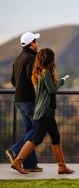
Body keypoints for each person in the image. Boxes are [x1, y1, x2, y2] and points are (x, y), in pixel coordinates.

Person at [11, 48, 74, 175]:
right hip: (46, 111)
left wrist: (54, 81)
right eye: (52, 58)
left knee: (55, 137)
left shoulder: (38, 72)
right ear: (49, 59)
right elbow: (52, 90)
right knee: (37, 138)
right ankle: (18, 161)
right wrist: (61, 82)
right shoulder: (45, 72)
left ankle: (62, 167)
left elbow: (46, 88)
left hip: (45, 109)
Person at [5, 31, 42, 172]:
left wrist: (21, 90)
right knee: (38, 129)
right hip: (29, 100)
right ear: (31, 44)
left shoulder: (18, 58)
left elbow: (13, 80)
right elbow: (31, 78)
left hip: (19, 100)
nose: (37, 43)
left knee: (29, 131)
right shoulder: (31, 58)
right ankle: (14, 150)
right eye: (35, 41)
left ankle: (29, 164)